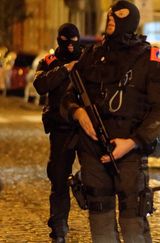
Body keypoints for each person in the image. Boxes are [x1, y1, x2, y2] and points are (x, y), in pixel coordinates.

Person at [61, 1, 160, 242]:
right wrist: (78, 113)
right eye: (110, 13)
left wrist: (133, 142)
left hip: (129, 153)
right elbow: (68, 97)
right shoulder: (92, 55)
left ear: (132, 20)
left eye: (119, 14)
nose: (112, 17)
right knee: (100, 222)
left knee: (133, 223)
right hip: (92, 152)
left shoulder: (150, 59)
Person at [33, 23, 82, 242]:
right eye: (66, 41)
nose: (71, 46)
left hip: (85, 126)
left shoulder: (87, 59)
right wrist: (65, 70)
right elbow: (40, 85)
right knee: (59, 177)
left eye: (74, 41)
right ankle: (59, 225)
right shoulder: (49, 61)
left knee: (97, 175)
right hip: (61, 128)